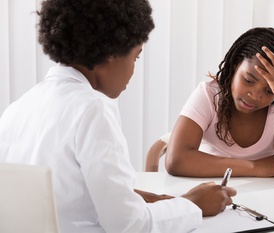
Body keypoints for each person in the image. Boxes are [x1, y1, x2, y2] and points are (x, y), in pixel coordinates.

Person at [0, 0, 236, 232]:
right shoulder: (93, 109)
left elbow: (67, 195)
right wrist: (193, 204)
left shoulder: (18, 109)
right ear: (111, 53)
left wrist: (155, 201)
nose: (133, 70)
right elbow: (130, 225)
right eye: (135, 57)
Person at [165, 27, 274, 182]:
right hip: (211, 192)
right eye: (248, 80)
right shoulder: (209, 95)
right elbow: (176, 159)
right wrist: (253, 167)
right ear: (235, 65)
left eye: (269, 90)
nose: (255, 96)